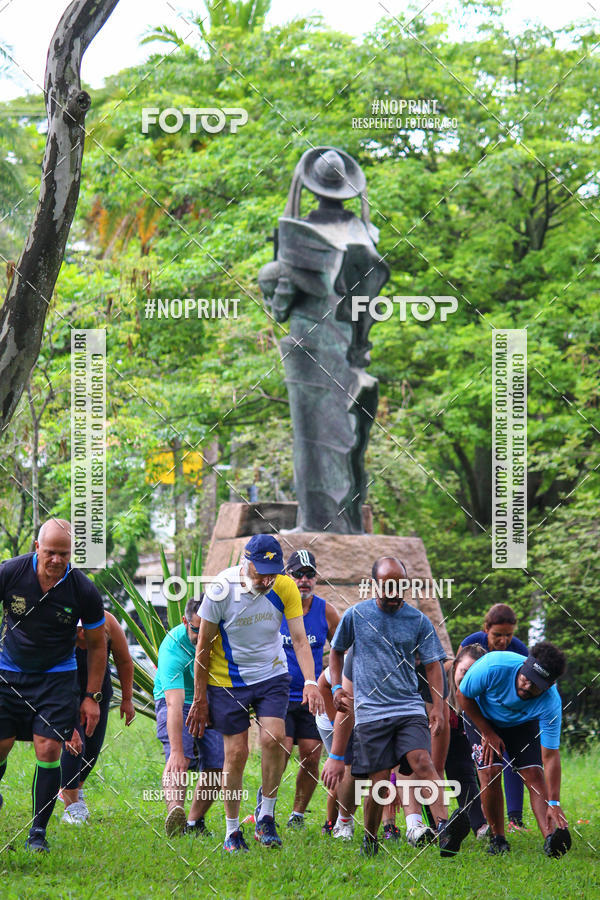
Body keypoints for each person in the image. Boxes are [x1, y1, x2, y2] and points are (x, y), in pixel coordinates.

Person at [322, 556, 470, 857]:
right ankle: (370, 838)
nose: (395, 592)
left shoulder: (418, 621)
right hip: (371, 712)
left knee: (422, 761)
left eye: (400, 585)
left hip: (408, 708)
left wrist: (438, 708)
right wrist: (336, 687)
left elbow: (433, 665)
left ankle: (445, 830)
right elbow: (336, 652)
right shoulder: (356, 616)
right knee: (379, 783)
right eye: (388, 585)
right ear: (374, 584)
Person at [186, 534, 324, 853]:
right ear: (245, 563)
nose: (266, 580)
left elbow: (300, 640)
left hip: (271, 673)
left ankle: (266, 816)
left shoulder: (284, 587)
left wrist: (310, 681)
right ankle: (232, 831)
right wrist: (200, 699)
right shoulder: (221, 588)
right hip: (227, 679)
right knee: (237, 754)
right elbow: (203, 647)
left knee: (275, 738)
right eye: (260, 572)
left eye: (272, 573)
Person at [0, 519, 106, 852]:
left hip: (57, 678)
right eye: (50, 552)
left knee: (48, 749)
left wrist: (92, 696)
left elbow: (98, 645)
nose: (57, 560)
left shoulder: (83, 589)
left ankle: (37, 833)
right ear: (37, 547)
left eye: (64, 553)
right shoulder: (10, 573)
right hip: (8, 672)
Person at [457, 641, 572, 858]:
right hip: (482, 717)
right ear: (525, 665)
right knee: (490, 772)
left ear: (549, 685)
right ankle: (498, 838)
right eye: (526, 678)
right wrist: (487, 732)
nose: (527, 686)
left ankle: (551, 840)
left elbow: (550, 756)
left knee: (534, 775)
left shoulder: (551, 703)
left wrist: (554, 802)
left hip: (521, 724)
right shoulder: (493, 665)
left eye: (536, 685)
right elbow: (463, 695)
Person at [154, 596, 224, 837]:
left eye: (208, 630)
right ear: (185, 622)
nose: (202, 636)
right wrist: (176, 751)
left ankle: (193, 822)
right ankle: (175, 812)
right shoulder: (173, 647)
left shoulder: (222, 637)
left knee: (217, 764)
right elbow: (173, 703)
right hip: (176, 700)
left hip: (208, 698)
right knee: (180, 759)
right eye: (196, 630)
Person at [280, 549, 340, 828]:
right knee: (279, 753)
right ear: (287, 576)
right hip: (279, 695)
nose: (304, 580)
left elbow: (342, 649)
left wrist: (336, 686)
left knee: (311, 754)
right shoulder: (275, 607)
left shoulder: (325, 610)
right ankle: (265, 809)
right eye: (298, 574)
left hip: (313, 696)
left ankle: (297, 815)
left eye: (310, 574)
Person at [60, 611, 135, 824]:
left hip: (99, 694)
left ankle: (76, 791)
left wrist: (127, 699)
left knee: (92, 749)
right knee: (75, 745)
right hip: (66, 690)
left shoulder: (108, 621)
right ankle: (71, 806)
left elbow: (124, 661)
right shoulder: (60, 621)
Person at [459, 603, 528, 832]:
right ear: (486, 629)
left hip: (506, 712)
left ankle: (515, 819)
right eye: (497, 635)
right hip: (475, 710)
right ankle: (486, 821)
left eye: (508, 635)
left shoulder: (519, 649)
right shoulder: (471, 643)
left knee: (511, 759)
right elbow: (458, 675)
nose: (503, 640)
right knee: (485, 764)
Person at [445, 644, 488, 839]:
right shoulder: (438, 679)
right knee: (428, 770)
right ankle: (434, 826)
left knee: (463, 769)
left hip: (460, 729)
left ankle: (480, 826)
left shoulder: (483, 688)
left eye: (475, 674)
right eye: (464, 671)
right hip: (431, 726)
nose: (469, 678)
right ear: (455, 666)